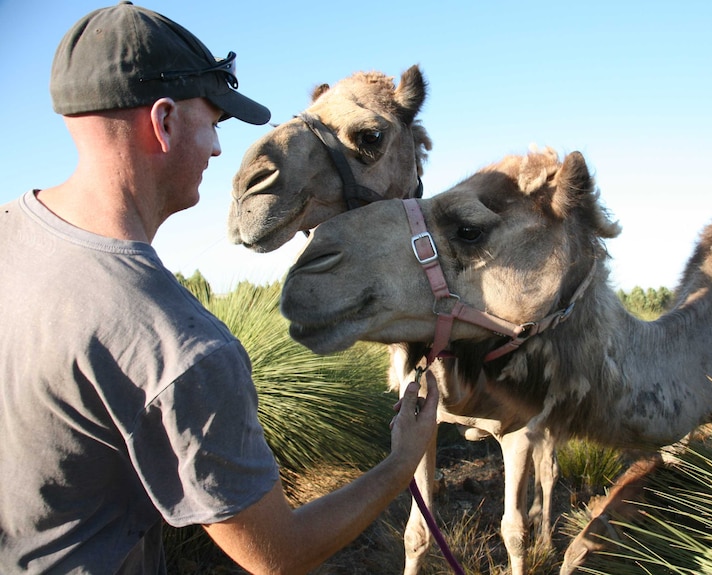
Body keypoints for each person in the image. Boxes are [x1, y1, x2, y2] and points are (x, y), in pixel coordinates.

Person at [0, 3, 439, 574]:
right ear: (163, 122)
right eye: (213, 121)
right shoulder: (180, 348)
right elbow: (277, 556)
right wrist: (401, 463)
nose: (216, 149)